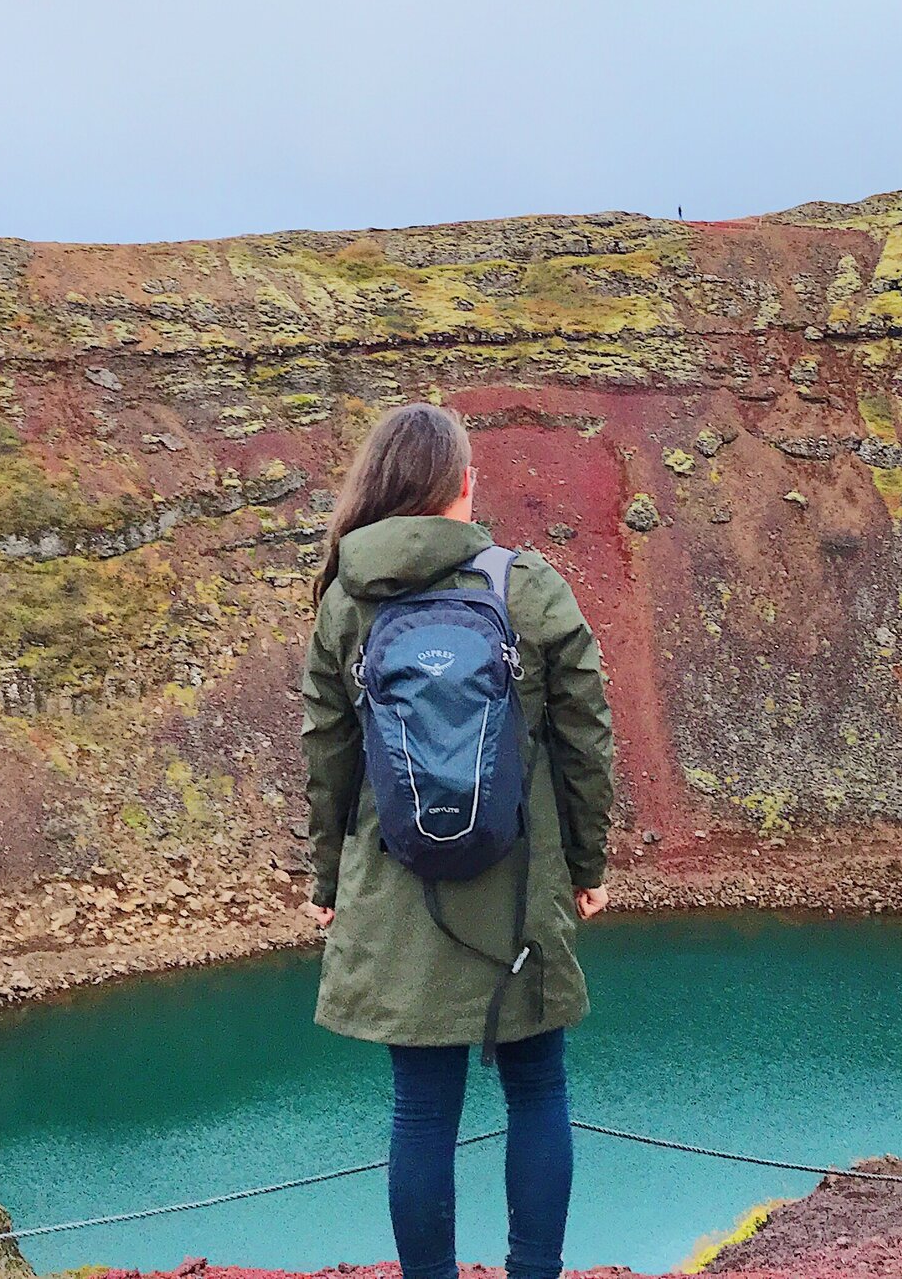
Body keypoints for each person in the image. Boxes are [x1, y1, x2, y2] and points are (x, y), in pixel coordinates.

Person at [301, 402, 616, 1279]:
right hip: (518, 887)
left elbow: (327, 758)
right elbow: (586, 741)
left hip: (401, 891)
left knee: (421, 1113)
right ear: (463, 486)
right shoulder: (528, 586)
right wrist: (586, 868)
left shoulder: (346, 599)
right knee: (538, 1090)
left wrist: (328, 881)